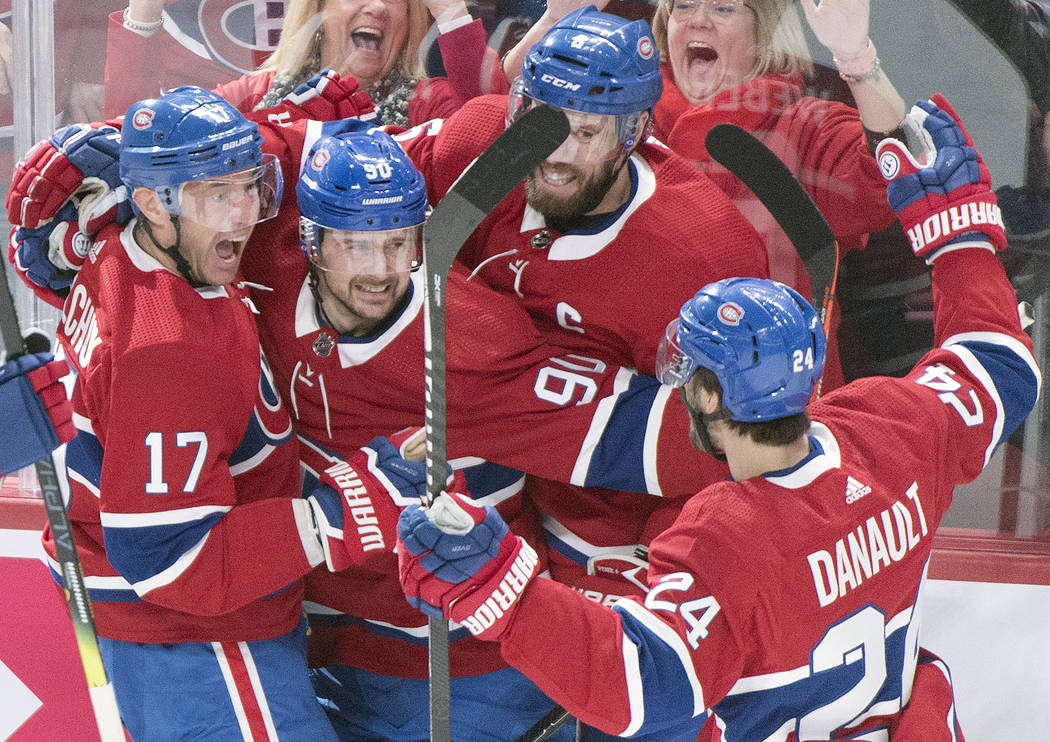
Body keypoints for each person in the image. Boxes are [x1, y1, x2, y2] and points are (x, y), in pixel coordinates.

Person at [397, 94, 1042, 741]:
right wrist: (958, 238)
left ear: (706, 398)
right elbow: (998, 365)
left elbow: (643, 684)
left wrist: (498, 590)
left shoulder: (724, 540)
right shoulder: (895, 431)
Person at [38, 85, 435, 741]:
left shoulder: (124, 245)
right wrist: (343, 513)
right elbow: (174, 561)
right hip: (199, 642)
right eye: (214, 196)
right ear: (150, 204)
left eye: (248, 186)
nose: (243, 215)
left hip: (180, 625)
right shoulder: (167, 351)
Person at [103, 0, 503, 127]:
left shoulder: (430, 105)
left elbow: (493, 142)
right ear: (318, 11)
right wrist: (145, 9)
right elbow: (141, 140)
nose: (379, 6)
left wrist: (451, 15)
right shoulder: (255, 96)